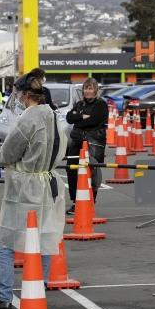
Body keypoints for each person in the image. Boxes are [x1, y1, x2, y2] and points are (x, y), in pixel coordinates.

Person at [0, 72, 68, 309]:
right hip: (49, 183)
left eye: (18, 94)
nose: (16, 98)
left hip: (25, 187)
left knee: (6, 242)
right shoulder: (54, 116)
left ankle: (4, 297)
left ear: (27, 95)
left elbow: (8, 153)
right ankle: (39, 290)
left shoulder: (28, 119)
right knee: (44, 240)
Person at [65, 78, 109, 215]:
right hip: (77, 141)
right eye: (85, 88)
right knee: (71, 169)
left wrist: (80, 118)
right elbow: (69, 118)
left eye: (90, 88)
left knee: (92, 171)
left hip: (93, 142)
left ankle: (90, 201)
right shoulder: (80, 104)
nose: (87, 91)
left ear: (95, 90)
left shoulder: (101, 104)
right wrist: (82, 116)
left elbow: (94, 120)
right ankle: (75, 201)